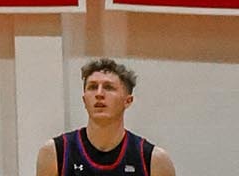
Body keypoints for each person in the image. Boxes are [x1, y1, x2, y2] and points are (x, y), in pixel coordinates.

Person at [35, 59, 175, 176]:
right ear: (84, 100)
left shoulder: (153, 160)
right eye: (92, 87)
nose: (99, 94)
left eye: (108, 87)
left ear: (128, 101)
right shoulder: (55, 152)